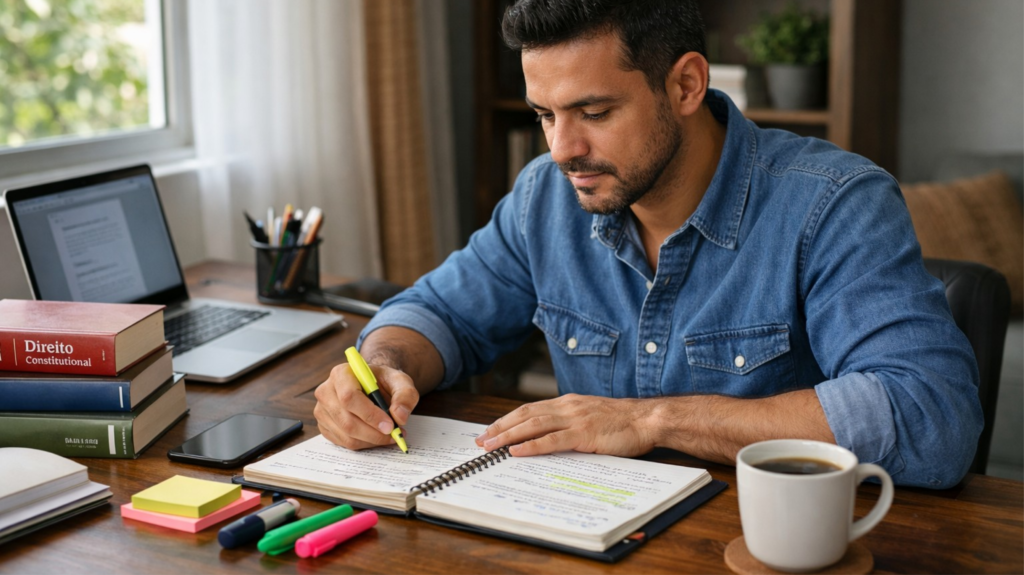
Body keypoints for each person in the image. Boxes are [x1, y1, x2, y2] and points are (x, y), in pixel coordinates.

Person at [314, 0, 982, 488]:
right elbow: (438, 313)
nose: (562, 150)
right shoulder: (544, 199)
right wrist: (381, 372)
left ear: (687, 84)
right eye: (545, 115)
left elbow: (932, 415)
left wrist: (653, 419)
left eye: (594, 113)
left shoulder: (835, 204)